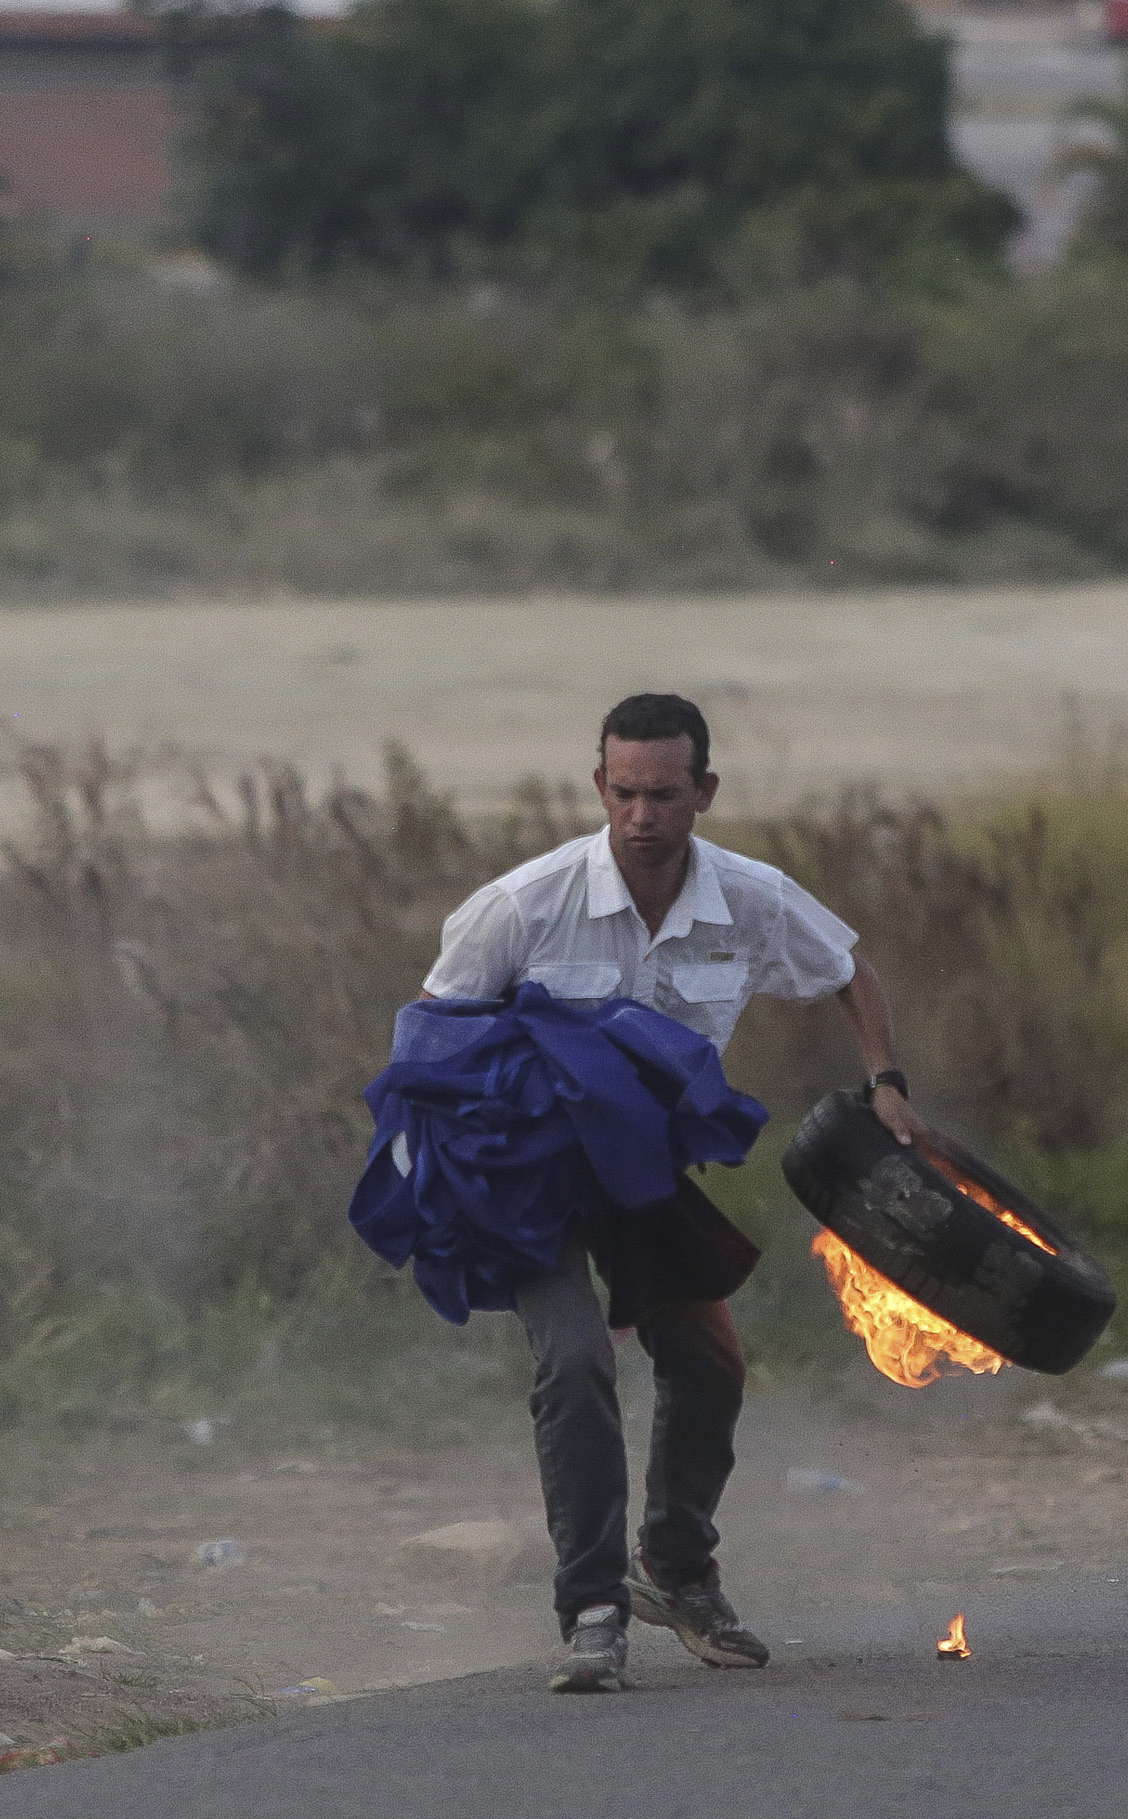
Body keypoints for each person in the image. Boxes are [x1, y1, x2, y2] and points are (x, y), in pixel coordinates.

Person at [421, 693, 912, 1695]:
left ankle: (678, 1568)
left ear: (703, 791)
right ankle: (591, 1608)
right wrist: (457, 1167)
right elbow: (431, 1027)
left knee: (711, 1362)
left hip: (644, 1170)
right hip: (532, 1173)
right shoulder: (525, 901)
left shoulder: (749, 894)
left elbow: (847, 966)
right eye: (624, 791)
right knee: (573, 1365)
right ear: (600, 786)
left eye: (664, 793)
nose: (642, 813)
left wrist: (887, 1082)